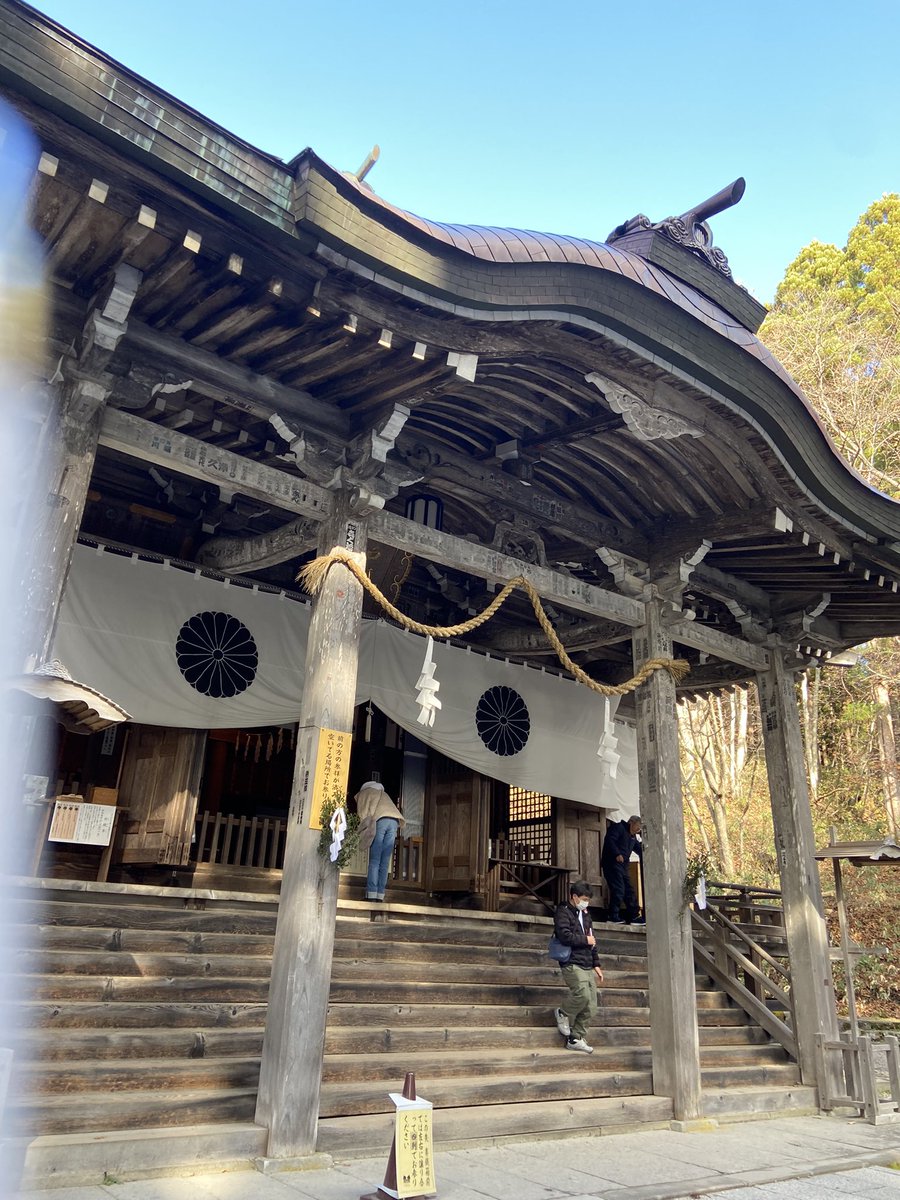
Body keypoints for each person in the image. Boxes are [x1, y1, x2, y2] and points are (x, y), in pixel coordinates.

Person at [552, 880, 604, 1053]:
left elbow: (592, 940)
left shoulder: (586, 914)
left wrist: (596, 963)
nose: (586, 902)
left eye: (588, 899)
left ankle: (576, 1038)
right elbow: (564, 936)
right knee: (582, 995)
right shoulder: (563, 912)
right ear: (574, 897)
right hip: (571, 962)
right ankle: (562, 1012)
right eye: (583, 898)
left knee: (592, 1005)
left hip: (587, 962)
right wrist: (585, 940)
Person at [355, 780, 404, 902]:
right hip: (394, 822)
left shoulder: (366, 793)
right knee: (384, 861)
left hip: (381, 821)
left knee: (375, 859)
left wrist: (358, 831)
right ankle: (380, 895)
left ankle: (371, 894)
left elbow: (363, 814)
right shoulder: (383, 794)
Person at [601, 814, 644, 924]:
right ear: (631, 822)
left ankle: (634, 916)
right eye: (638, 826)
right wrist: (617, 853)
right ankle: (612, 915)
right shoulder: (618, 827)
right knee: (618, 889)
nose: (639, 829)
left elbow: (640, 849)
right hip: (611, 864)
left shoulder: (633, 837)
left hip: (623, 866)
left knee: (629, 890)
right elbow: (610, 841)